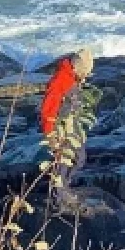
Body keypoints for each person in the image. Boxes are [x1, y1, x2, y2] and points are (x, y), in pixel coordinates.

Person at [39, 49, 94, 193]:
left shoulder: (73, 78)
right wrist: (50, 134)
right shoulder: (60, 80)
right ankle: (59, 197)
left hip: (72, 127)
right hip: (60, 129)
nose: (86, 76)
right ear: (78, 68)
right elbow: (48, 109)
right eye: (85, 73)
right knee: (63, 163)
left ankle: (64, 189)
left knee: (79, 158)